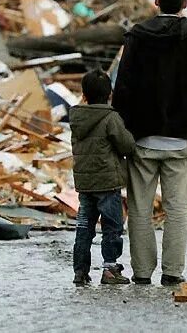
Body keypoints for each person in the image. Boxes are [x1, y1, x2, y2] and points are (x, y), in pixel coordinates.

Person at [112, 0, 187, 286]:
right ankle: (173, 273)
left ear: (156, 1)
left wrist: (125, 131)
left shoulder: (136, 38)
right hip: (184, 140)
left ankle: (142, 273)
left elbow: (123, 90)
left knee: (141, 210)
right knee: (178, 209)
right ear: (185, 2)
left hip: (142, 140)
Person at [69, 69, 136, 286]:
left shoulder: (77, 118)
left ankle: (80, 271)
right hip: (107, 183)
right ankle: (109, 269)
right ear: (109, 94)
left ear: (84, 95)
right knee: (112, 227)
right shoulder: (110, 117)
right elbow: (126, 145)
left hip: (85, 184)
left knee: (84, 227)